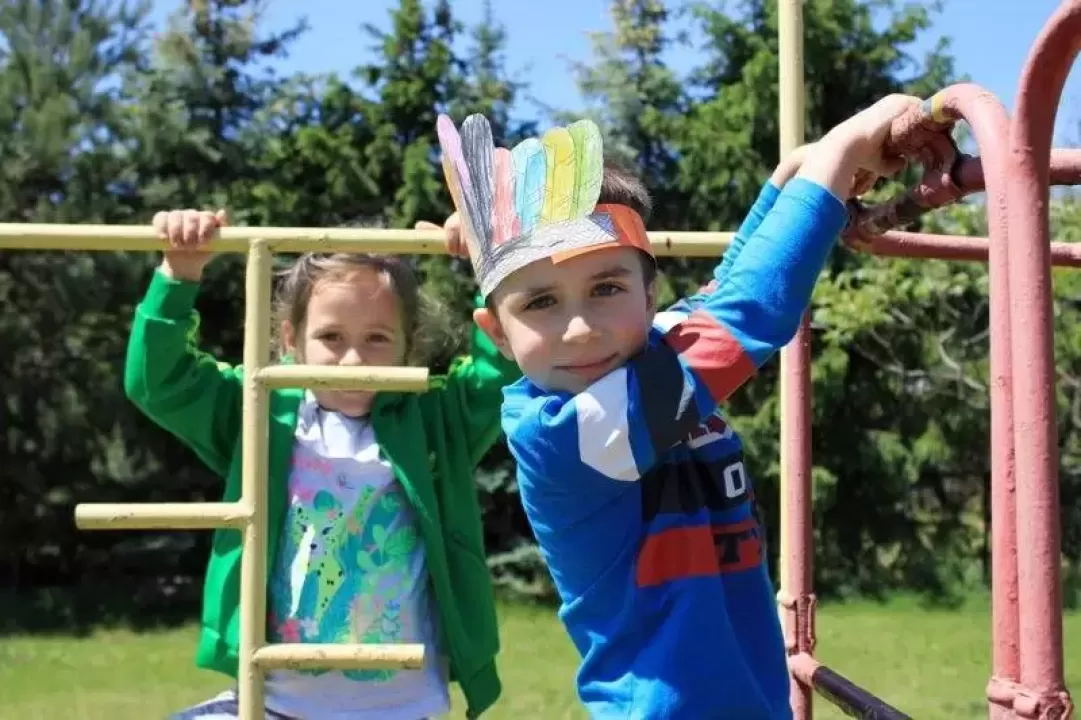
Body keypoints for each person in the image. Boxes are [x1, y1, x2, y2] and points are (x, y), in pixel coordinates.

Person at [434, 96, 918, 718]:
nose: (581, 327)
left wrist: (789, 178)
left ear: (649, 296)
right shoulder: (563, 432)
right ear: (497, 333)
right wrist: (839, 152)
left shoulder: (649, 351)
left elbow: (726, 286)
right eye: (540, 303)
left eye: (607, 288)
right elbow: (751, 313)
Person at [125, 209, 519, 719]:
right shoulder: (262, 408)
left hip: (397, 708)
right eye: (331, 337)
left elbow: (502, 368)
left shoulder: (434, 418)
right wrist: (178, 275)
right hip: (274, 700)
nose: (353, 360)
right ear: (292, 340)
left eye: (377, 339)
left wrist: (489, 263)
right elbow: (159, 382)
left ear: (408, 343)